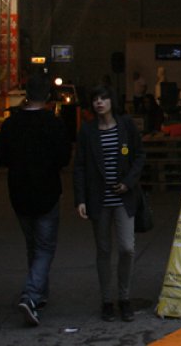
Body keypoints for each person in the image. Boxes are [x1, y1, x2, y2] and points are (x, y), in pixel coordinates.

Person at [0, 73, 72, 326]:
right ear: (48, 96)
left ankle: (40, 293)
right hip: (47, 191)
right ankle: (31, 295)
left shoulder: (11, 124)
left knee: (33, 245)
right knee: (45, 247)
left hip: (18, 192)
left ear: (26, 94)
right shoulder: (54, 124)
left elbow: (2, 157)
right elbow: (64, 158)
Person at [73, 84, 146, 322]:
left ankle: (124, 298)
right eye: (95, 99)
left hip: (123, 198)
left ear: (112, 101)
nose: (99, 102)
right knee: (103, 250)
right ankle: (107, 301)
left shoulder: (126, 125)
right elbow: (80, 165)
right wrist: (80, 199)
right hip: (99, 199)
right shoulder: (87, 130)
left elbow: (139, 155)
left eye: (103, 98)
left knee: (127, 248)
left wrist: (128, 182)